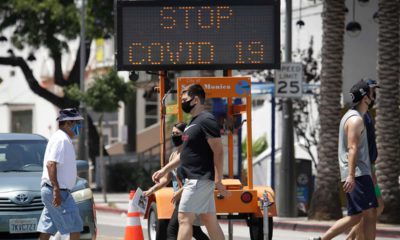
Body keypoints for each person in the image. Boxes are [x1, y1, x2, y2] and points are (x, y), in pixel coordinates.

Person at [153, 84, 230, 240]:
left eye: (184, 99)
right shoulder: (193, 123)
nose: (182, 102)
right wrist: (165, 170)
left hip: (198, 179)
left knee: (184, 219)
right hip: (197, 180)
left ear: (195, 100)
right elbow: (185, 154)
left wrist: (219, 180)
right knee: (210, 221)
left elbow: (218, 151)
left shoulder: (207, 120)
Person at [310, 80, 378, 240]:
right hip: (358, 174)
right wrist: (351, 175)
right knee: (367, 214)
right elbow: (352, 148)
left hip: (359, 173)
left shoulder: (351, 116)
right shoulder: (356, 120)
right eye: (372, 93)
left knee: (360, 215)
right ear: (365, 98)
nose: (374, 96)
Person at [144, 122, 209, 240]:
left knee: (172, 230)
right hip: (180, 199)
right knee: (195, 230)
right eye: (173, 133)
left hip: (189, 195)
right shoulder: (173, 155)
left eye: (177, 133)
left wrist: (180, 192)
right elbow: (166, 179)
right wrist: (151, 190)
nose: (174, 136)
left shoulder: (190, 154)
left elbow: (195, 178)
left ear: (185, 136)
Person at [37, 108, 84, 240]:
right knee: (75, 227)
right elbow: (51, 164)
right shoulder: (61, 140)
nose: (79, 126)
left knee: (47, 229)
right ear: (68, 123)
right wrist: (56, 190)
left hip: (53, 190)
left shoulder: (61, 138)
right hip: (58, 192)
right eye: (76, 123)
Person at [346, 79, 384, 240]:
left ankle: (352, 237)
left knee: (376, 208)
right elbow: (357, 146)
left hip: (370, 167)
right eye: (372, 90)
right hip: (366, 169)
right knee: (371, 209)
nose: (374, 94)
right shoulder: (360, 117)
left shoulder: (366, 115)